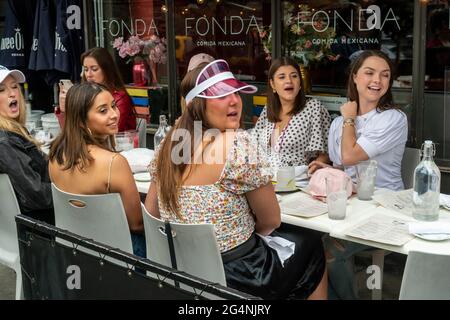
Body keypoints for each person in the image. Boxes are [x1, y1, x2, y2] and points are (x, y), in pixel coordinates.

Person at [144, 59, 328, 299]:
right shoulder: (236, 144)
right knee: (311, 244)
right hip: (239, 275)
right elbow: (271, 220)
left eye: (236, 93)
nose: (234, 101)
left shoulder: (169, 143)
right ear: (197, 105)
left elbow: (151, 214)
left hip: (181, 269)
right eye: (221, 95)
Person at [314, 50, 408, 299]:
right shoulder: (337, 124)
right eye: (369, 73)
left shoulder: (393, 119)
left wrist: (349, 119)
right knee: (306, 244)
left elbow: (350, 155)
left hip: (385, 208)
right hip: (350, 205)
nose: (377, 80)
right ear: (355, 77)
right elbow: (343, 166)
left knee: (327, 250)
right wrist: (327, 169)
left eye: (385, 75)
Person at [48, 82, 145, 257]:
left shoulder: (56, 155)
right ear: (81, 121)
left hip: (74, 251)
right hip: (117, 256)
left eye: (113, 106)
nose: (114, 114)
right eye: (103, 111)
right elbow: (137, 224)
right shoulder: (114, 163)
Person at [253, 57, 331, 173]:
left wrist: (314, 171)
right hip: (266, 181)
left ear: (300, 83)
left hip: (297, 184)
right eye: (282, 77)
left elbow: (327, 153)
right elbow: (254, 147)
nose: (289, 81)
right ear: (273, 84)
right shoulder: (268, 108)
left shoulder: (313, 108)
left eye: (294, 76)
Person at [0, 65, 54, 224]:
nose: (12, 93)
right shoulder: (5, 141)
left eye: (14, 87)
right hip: (40, 231)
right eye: (1, 90)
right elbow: (37, 195)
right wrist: (70, 191)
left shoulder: (14, 130)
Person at [58, 47, 136, 132]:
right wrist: (65, 110)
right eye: (86, 69)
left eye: (94, 69)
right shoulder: (85, 95)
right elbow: (69, 134)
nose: (89, 74)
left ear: (106, 70)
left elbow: (110, 132)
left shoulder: (120, 98)